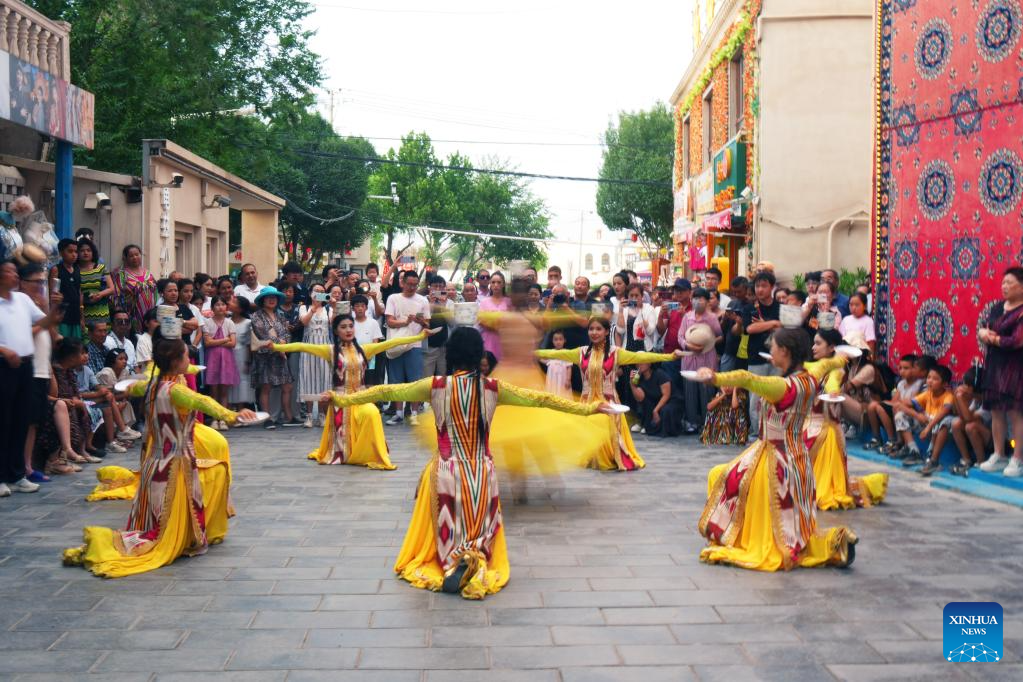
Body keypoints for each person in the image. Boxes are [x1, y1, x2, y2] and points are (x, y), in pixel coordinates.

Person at [321, 327, 612, 599]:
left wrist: (339, 398)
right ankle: (474, 558)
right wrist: (588, 408)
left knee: (447, 525)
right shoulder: (494, 388)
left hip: (446, 470)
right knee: (478, 528)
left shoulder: (434, 386)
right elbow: (542, 399)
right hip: (481, 471)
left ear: (450, 354)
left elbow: (386, 391)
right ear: (479, 355)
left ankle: (449, 562)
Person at [63, 334, 256, 578]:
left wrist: (130, 387)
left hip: (154, 465)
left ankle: (186, 534)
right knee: (217, 471)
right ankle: (183, 537)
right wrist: (234, 415)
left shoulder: (152, 385)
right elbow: (205, 402)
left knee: (164, 510)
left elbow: (136, 386)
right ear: (175, 361)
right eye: (185, 356)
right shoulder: (177, 391)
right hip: (176, 464)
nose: (189, 360)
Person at [694, 329, 858, 571]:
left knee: (721, 476)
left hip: (774, 461)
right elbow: (829, 363)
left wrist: (714, 377)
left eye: (773, 346)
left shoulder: (781, 386)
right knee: (793, 529)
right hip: (798, 460)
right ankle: (835, 542)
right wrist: (842, 357)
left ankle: (735, 534)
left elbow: (746, 378)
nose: (770, 351)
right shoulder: (811, 376)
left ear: (785, 351)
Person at [274, 316, 431, 468]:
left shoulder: (364, 349)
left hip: (361, 397)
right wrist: (276, 347)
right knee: (347, 433)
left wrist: (419, 336)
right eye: (343, 327)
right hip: (340, 400)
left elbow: (392, 342)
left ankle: (367, 453)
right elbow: (301, 346)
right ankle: (346, 453)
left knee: (372, 413)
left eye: (351, 326)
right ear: (336, 331)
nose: (348, 330)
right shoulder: (330, 351)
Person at [535, 317, 683, 471]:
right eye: (591, 329)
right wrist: (532, 352)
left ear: (606, 332)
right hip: (587, 403)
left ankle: (611, 457)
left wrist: (670, 356)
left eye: (598, 329)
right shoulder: (581, 352)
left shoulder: (615, 353)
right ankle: (595, 458)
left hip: (608, 402)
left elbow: (642, 357)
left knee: (606, 428)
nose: (594, 332)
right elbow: (554, 353)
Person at [805, 329, 888, 508]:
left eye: (818, 343)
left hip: (828, 430)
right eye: (813, 343)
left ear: (832, 348)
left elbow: (835, 384)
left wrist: (833, 390)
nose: (813, 347)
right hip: (812, 426)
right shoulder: (820, 367)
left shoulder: (839, 370)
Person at [0, 261, 52, 496]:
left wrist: (53, 309)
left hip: (25, 365)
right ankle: (1, 476)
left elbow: (44, 322)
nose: (14, 275)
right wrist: (4, 350)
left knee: (21, 420)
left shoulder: (22, 300)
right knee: (4, 420)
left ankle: (17, 474)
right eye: (8, 271)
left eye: (15, 271)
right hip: (4, 365)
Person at [978, 267, 1023, 477]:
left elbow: (1016, 341)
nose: (1004, 286)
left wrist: (993, 338)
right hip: (995, 365)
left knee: (1014, 412)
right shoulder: (998, 307)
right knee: (996, 410)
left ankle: (1018, 458)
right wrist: (982, 333)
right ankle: (999, 454)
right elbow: (986, 327)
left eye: (1009, 283)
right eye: (1003, 282)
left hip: (1015, 367)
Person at [383, 271, 431, 426]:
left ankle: (414, 413)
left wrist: (420, 321)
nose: (412, 287)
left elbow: (428, 324)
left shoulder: (423, 300)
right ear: (402, 282)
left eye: (415, 285)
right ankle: (398, 413)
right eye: (409, 284)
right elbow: (389, 321)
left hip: (414, 345)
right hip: (396, 343)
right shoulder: (393, 298)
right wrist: (406, 322)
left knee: (415, 381)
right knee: (396, 381)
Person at [679, 287, 723, 434]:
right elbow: (680, 336)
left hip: (707, 359)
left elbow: (720, 335)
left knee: (707, 391)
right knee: (690, 391)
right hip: (689, 358)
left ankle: (707, 422)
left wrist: (708, 343)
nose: (697, 301)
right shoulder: (687, 317)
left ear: (707, 301)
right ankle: (692, 422)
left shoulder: (712, 318)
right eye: (695, 298)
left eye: (701, 298)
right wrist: (689, 345)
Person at [250, 286, 295, 429]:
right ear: (262, 300)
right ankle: (267, 418)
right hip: (265, 356)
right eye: (268, 297)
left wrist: (284, 344)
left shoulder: (280, 316)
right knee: (266, 387)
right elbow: (262, 334)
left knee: (287, 386)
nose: (272, 300)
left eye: (274, 297)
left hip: (280, 355)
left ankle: (289, 417)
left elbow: (287, 334)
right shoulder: (256, 316)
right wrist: (279, 344)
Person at [894, 364, 954, 470]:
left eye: (935, 379)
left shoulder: (948, 396)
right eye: (929, 377)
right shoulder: (927, 393)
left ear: (945, 384)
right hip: (927, 425)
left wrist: (928, 428)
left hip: (940, 429)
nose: (930, 381)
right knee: (900, 415)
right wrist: (917, 415)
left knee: (945, 421)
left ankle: (934, 460)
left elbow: (943, 413)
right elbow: (904, 404)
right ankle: (914, 451)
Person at [743, 271, 782, 429]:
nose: (760, 289)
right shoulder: (749, 308)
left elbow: (785, 328)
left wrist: (763, 324)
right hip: (756, 358)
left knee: (777, 395)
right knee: (755, 399)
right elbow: (750, 329)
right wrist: (773, 323)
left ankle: (775, 431)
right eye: (757, 286)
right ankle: (756, 433)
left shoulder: (780, 307)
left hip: (778, 358)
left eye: (764, 286)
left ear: (772, 287)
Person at [298, 284, 333, 426]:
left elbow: (333, 323)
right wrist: (314, 308)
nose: (319, 293)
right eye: (316, 291)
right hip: (309, 346)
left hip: (324, 345)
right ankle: (309, 415)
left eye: (322, 292)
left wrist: (335, 306)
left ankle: (322, 414)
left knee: (325, 378)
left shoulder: (328, 308)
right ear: (310, 293)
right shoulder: (304, 307)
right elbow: (304, 322)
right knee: (308, 378)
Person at [202, 296, 239, 430]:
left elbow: (233, 343)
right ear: (212, 308)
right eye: (217, 305)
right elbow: (207, 343)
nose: (220, 307)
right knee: (214, 391)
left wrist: (215, 341)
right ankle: (214, 418)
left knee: (224, 391)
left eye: (223, 304)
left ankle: (223, 419)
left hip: (226, 359)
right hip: (212, 359)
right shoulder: (207, 323)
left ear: (226, 307)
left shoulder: (230, 323)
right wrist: (225, 339)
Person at [949, 366, 992, 476]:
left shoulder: (988, 401)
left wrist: (959, 398)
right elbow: (961, 416)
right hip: (981, 437)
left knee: (971, 426)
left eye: (966, 385)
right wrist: (956, 397)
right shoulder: (975, 399)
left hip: (997, 442)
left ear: (972, 388)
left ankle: (981, 461)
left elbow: (968, 418)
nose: (963, 387)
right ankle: (966, 459)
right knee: (956, 423)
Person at [112, 244, 157, 335]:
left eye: (137, 254)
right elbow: (116, 295)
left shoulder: (148, 273)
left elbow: (156, 292)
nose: (135, 257)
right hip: (132, 314)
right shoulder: (121, 275)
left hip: (151, 314)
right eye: (131, 256)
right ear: (125, 258)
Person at [628, 362, 681, 437]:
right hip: (655, 400)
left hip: (671, 400)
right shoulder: (639, 377)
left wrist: (655, 410)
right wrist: (632, 384)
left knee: (666, 410)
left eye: (642, 363)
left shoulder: (659, 374)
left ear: (649, 364)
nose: (639, 365)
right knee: (646, 403)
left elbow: (666, 395)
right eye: (637, 363)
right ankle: (647, 425)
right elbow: (640, 398)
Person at [77, 237, 114, 326]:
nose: (85, 253)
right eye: (82, 250)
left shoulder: (101, 268)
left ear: (93, 252)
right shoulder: (75, 270)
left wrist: (100, 294)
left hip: (101, 311)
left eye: (88, 250)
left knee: (102, 333)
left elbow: (112, 289)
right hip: (82, 313)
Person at [51, 238, 83, 339]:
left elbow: (79, 292)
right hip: (63, 315)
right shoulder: (56, 270)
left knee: (76, 344)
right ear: (61, 253)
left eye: (76, 252)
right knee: (63, 343)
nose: (74, 254)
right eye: (70, 251)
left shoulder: (77, 269)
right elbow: (53, 295)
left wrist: (82, 317)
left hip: (75, 314)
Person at [228, 296, 255, 410]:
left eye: (234, 302)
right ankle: (229, 410)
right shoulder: (226, 321)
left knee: (241, 381)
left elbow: (249, 344)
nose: (230, 302)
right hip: (228, 354)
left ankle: (241, 410)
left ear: (240, 309)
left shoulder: (248, 323)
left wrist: (248, 361)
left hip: (242, 355)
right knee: (228, 380)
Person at [478, 271, 511, 360]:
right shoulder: (484, 302)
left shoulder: (509, 302)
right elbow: (481, 321)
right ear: (490, 284)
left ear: (503, 284)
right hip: (488, 342)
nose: (496, 285)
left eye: (499, 282)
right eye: (493, 282)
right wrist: (496, 327)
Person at [657, 279, 693, 355]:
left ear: (690, 292)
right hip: (669, 352)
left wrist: (684, 316)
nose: (679, 293)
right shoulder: (670, 307)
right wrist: (660, 315)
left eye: (682, 290)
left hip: (687, 353)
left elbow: (695, 332)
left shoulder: (694, 308)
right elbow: (661, 331)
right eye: (676, 290)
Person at [539, 329, 573, 398]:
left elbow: (569, 367)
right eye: (556, 339)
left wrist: (568, 380)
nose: (558, 342)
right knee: (552, 391)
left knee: (563, 393)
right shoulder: (550, 352)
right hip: (552, 378)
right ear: (552, 341)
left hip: (563, 378)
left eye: (560, 339)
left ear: (564, 340)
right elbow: (546, 361)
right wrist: (538, 358)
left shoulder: (566, 353)